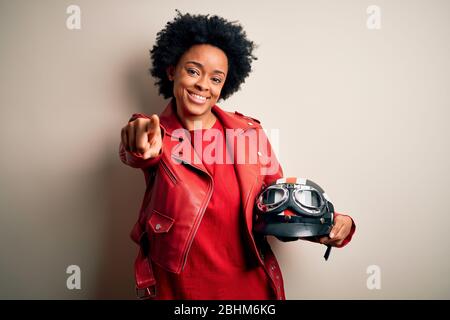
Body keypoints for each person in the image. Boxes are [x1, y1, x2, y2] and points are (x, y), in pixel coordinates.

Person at [119, 11, 355, 300]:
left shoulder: (250, 133)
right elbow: (139, 147)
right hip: (180, 291)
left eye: (216, 78)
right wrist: (138, 140)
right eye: (193, 71)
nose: (203, 85)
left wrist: (330, 222)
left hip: (250, 290)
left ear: (225, 85)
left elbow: (277, 209)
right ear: (172, 71)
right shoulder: (157, 133)